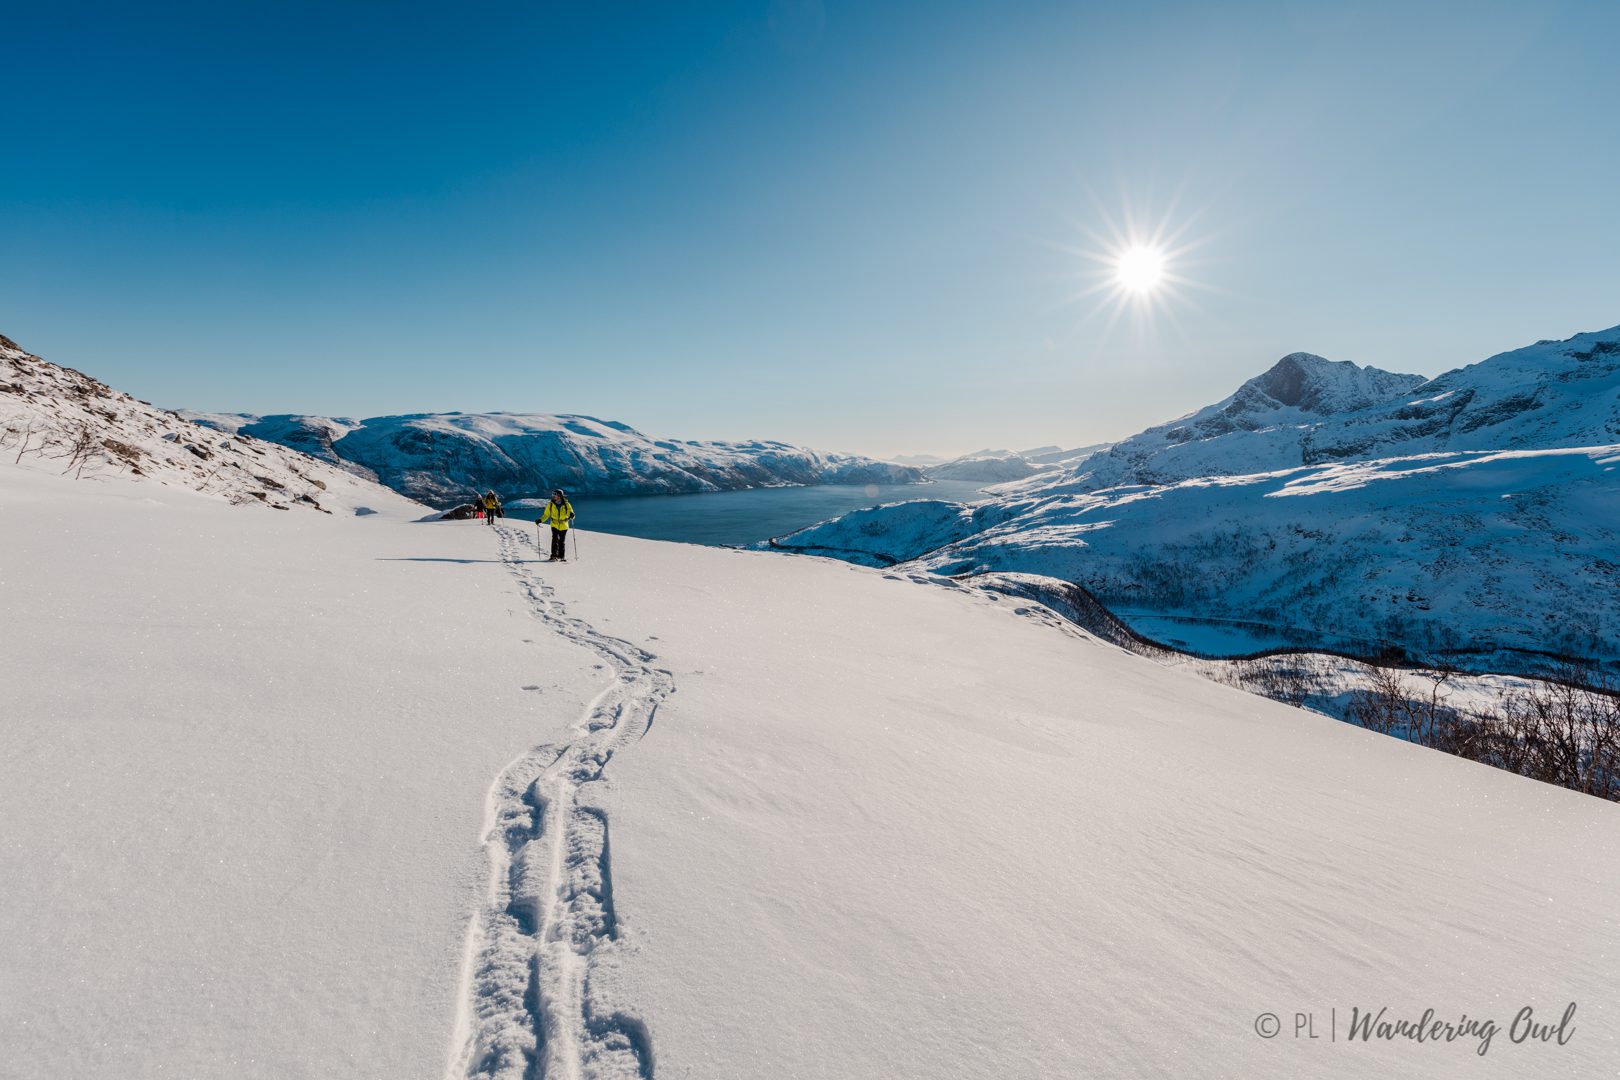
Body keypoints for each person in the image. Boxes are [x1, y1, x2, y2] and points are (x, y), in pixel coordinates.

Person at [539, 488, 574, 561]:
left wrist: (571, 516)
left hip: (564, 525)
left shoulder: (567, 505)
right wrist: (540, 520)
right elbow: (546, 515)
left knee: (561, 542)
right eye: (553, 494)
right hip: (554, 524)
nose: (553, 496)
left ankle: (561, 557)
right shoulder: (550, 504)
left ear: (560, 496)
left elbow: (571, 514)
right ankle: (553, 556)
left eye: (555, 494)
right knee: (555, 540)